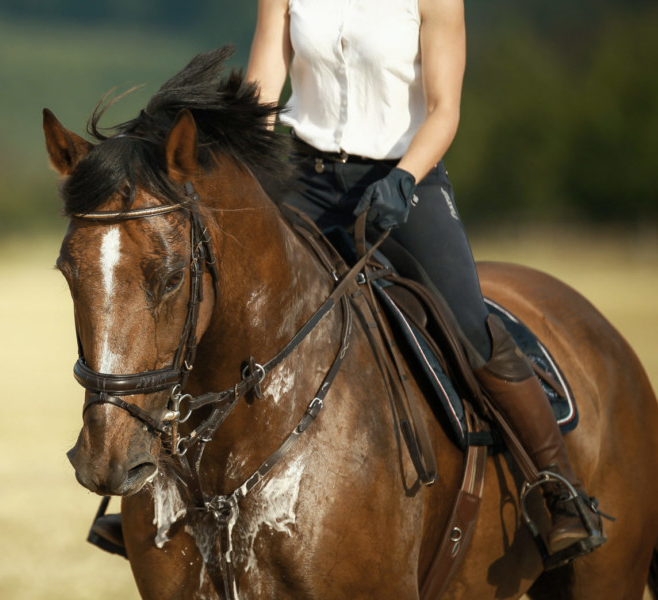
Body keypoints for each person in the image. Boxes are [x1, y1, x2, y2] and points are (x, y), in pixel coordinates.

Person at [245, 0, 605, 565]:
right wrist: (250, 163)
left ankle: (557, 486)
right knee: (224, 282)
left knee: (467, 323)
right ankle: (163, 490)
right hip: (300, 174)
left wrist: (404, 179)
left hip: (400, 178)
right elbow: (265, 79)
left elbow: (443, 111)